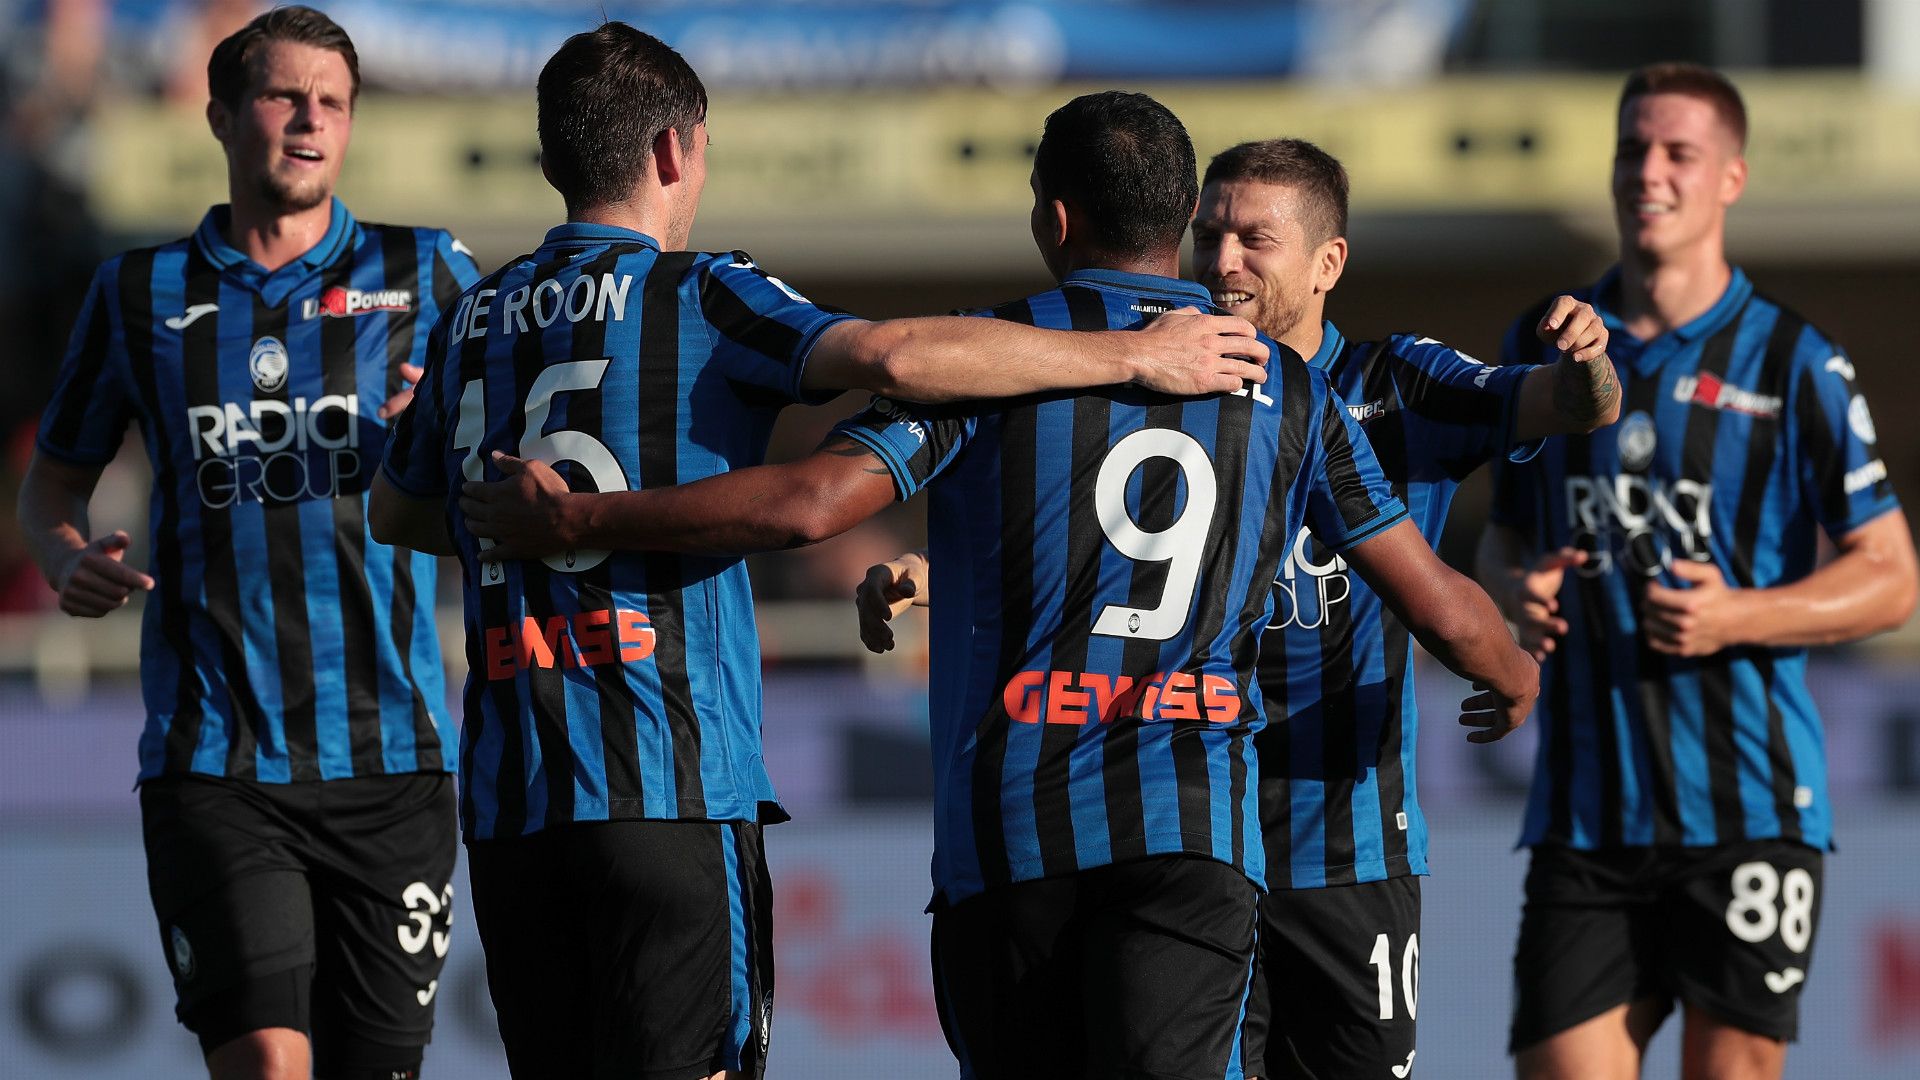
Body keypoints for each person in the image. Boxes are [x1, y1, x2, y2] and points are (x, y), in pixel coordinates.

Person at [451, 89, 1539, 1080]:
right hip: (1191, 828)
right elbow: (1440, 606)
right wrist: (1511, 671)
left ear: (1052, 219)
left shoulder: (985, 361)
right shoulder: (1286, 387)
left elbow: (805, 508)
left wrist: (581, 518)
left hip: (1012, 840)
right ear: (1184, 227)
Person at [366, 28, 1270, 1080]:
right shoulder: (704, 292)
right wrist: (1132, 353)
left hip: (515, 801)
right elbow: (891, 359)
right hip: (669, 774)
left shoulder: (473, 317)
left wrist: (520, 520)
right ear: (673, 151)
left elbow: (398, 511)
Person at [853, 136, 1621, 1080]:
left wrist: (1588, 365)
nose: (1223, 262)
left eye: (1255, 239)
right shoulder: (1151, 371)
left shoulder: (1399, 384)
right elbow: (1097, 527)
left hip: (1342, 839)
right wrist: (948, 569)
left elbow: (1569, 406)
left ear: (1328, 262)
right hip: (1199, 827)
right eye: (1209, 233)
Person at [15, 9, 479, 1080]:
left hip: (395, 764)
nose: (310, 121)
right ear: (222, 115)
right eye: (284, 96)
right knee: (270, 1066)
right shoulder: (138, 293)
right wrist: (61, 555)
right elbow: (51, 487)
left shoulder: (430, 272)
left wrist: (453, 448)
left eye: (333, 102)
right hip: (217, 759)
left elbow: (506, 461)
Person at [1475, 63, 1919, 1080]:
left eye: (1680, 152)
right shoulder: (1544, 343)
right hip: (1585, 814)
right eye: (1634, 149)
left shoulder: (1797, 360)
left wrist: (1739, 615)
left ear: (1731, 178)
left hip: (1749, 811)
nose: (1650, 172)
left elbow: (1894, 577)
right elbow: (1501, 535)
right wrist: (1514, 589)